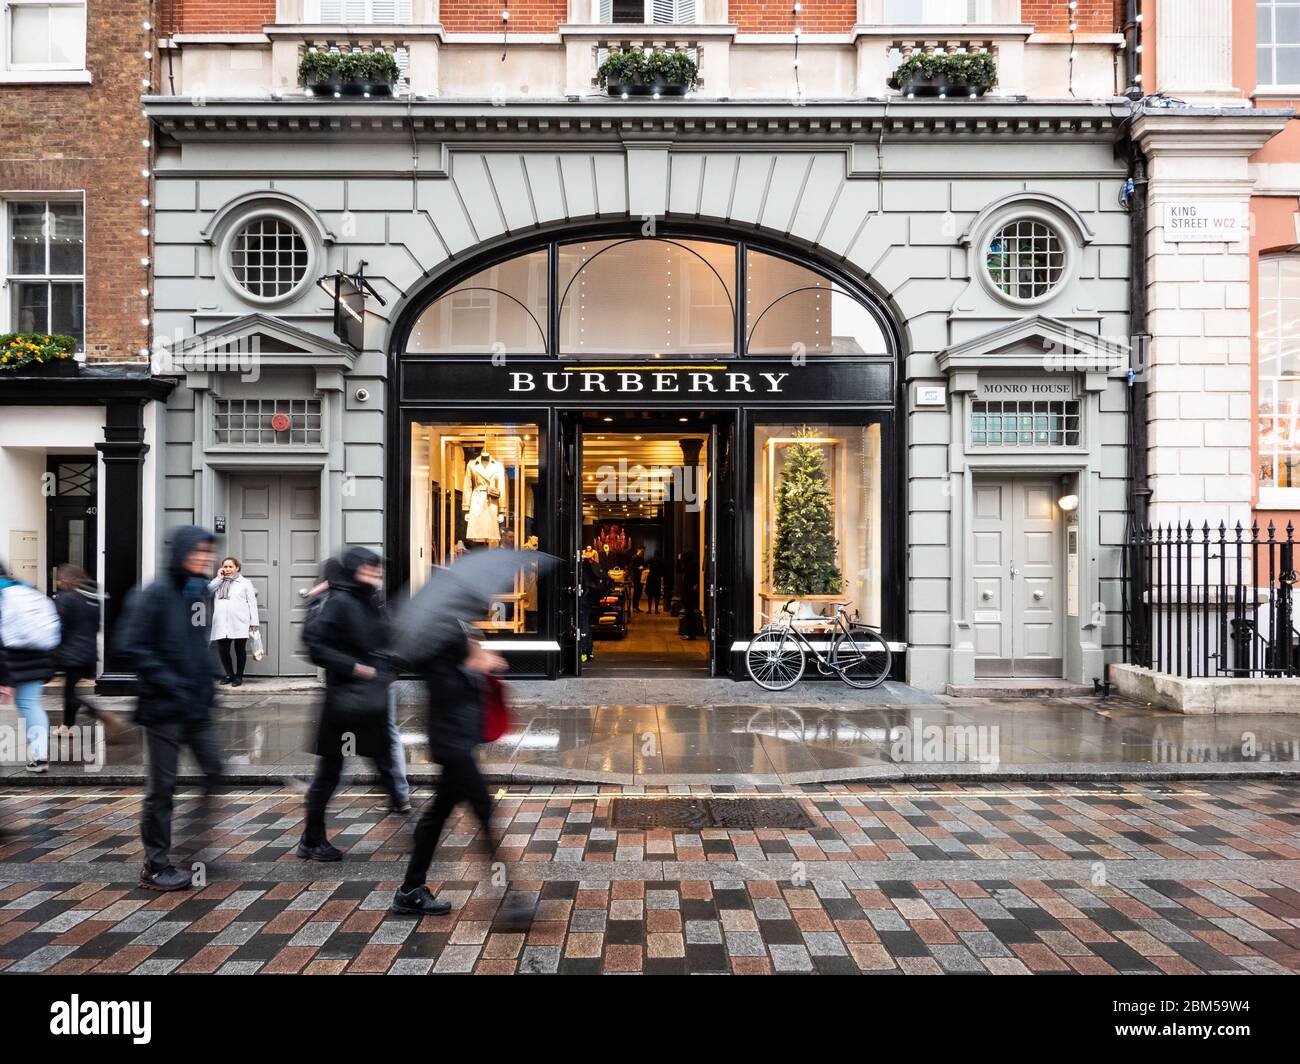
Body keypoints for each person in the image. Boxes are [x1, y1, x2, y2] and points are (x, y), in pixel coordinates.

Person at [119, 526, 224, 891]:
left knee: (215, 769)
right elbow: (131, 646)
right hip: (163, 707)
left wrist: (211, 675)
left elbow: (198, 643)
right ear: (181, 552)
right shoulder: (154, 594)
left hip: (195, 705)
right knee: (162, 788)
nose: (204, 558)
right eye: (197, 552)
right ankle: (155, 864)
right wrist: (170, 681)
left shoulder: (199, 592)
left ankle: (192, 841)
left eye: (208, 553)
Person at [299, 547, 408, 862]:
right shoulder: (340, 603)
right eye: (368, 567)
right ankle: (311, 839)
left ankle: (410, 823)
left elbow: (383, 642)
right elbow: (315, 647)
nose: (375, 572)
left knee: (384, 761)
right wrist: (355, 668)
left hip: (369, 701)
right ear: (353, 569)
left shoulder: (370, 601)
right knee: (329, 775)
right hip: (343, 704)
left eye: (377, 567)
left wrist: (389, 669)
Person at [393, 626, 505, 915]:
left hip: (459, 740)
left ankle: (410, 890)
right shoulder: (436, 636)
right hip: (452, 742)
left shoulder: (454, 627)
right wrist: (475, 661)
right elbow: (445, 687)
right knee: (483, 808)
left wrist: (480, 658)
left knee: (436, 817)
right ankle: (510, 898)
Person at [53, 564, 123, 741]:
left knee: (70, 694)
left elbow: (59, 625)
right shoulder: (92, 600)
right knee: (70, 691)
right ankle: (66, 727)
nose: (58, 582)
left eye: (59, 579)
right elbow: (98, 625)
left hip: (71, 653)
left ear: (65, 580)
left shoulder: (66, 599)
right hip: (89, 652)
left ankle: (102, 714)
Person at [0, 562, 56, 773]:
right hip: (36, 657)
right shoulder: (26, 590)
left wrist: (4, 680)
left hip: (7, 659)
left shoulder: (2, 596)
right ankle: (40, 756)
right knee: (30, 704)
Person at [209, 556, 259, 687]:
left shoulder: (245, 583)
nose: (227, 569)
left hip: (239, 621)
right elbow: (207, 591)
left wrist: (254, 622)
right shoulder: (218, 582)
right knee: (223, 650)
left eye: (230, 566)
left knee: (239, 649)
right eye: (225, 566)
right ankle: (229, 674)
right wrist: (219, 578)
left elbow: (252, 604)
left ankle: (239, 676)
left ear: (237, 568)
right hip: (221, 622)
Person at [578, 546, 606, 664]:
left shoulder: (582, 567)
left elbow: (582, 584)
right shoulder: (594, 566)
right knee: (587, 624)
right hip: (590, 599)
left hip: (583, 599)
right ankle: (589, 651)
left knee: (583, 624)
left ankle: (583, 652)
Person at [630, 547, 646, 613]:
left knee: (639, 593)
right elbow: (631, 567)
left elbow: (642, 566)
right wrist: (638, 568)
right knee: (636, 593)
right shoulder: (634, 557)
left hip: (641, 577)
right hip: (636, 577)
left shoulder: (641, 558)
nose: (643, 553)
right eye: (642, 551)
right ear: (638, 550)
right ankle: (634, 607)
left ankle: (637, 607)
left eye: (643, 552)